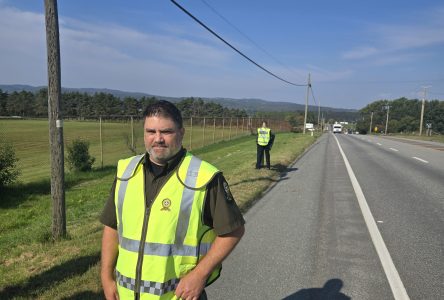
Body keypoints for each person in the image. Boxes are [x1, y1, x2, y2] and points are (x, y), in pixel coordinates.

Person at [100, 100, 245, 300]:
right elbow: (112, 226)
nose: (157, 139)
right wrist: (106, 277)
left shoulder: (204, 177)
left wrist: (199, 275)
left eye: (166, 132)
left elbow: (233, 230)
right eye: (151, 131)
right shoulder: (126, 173)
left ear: (182, 132)